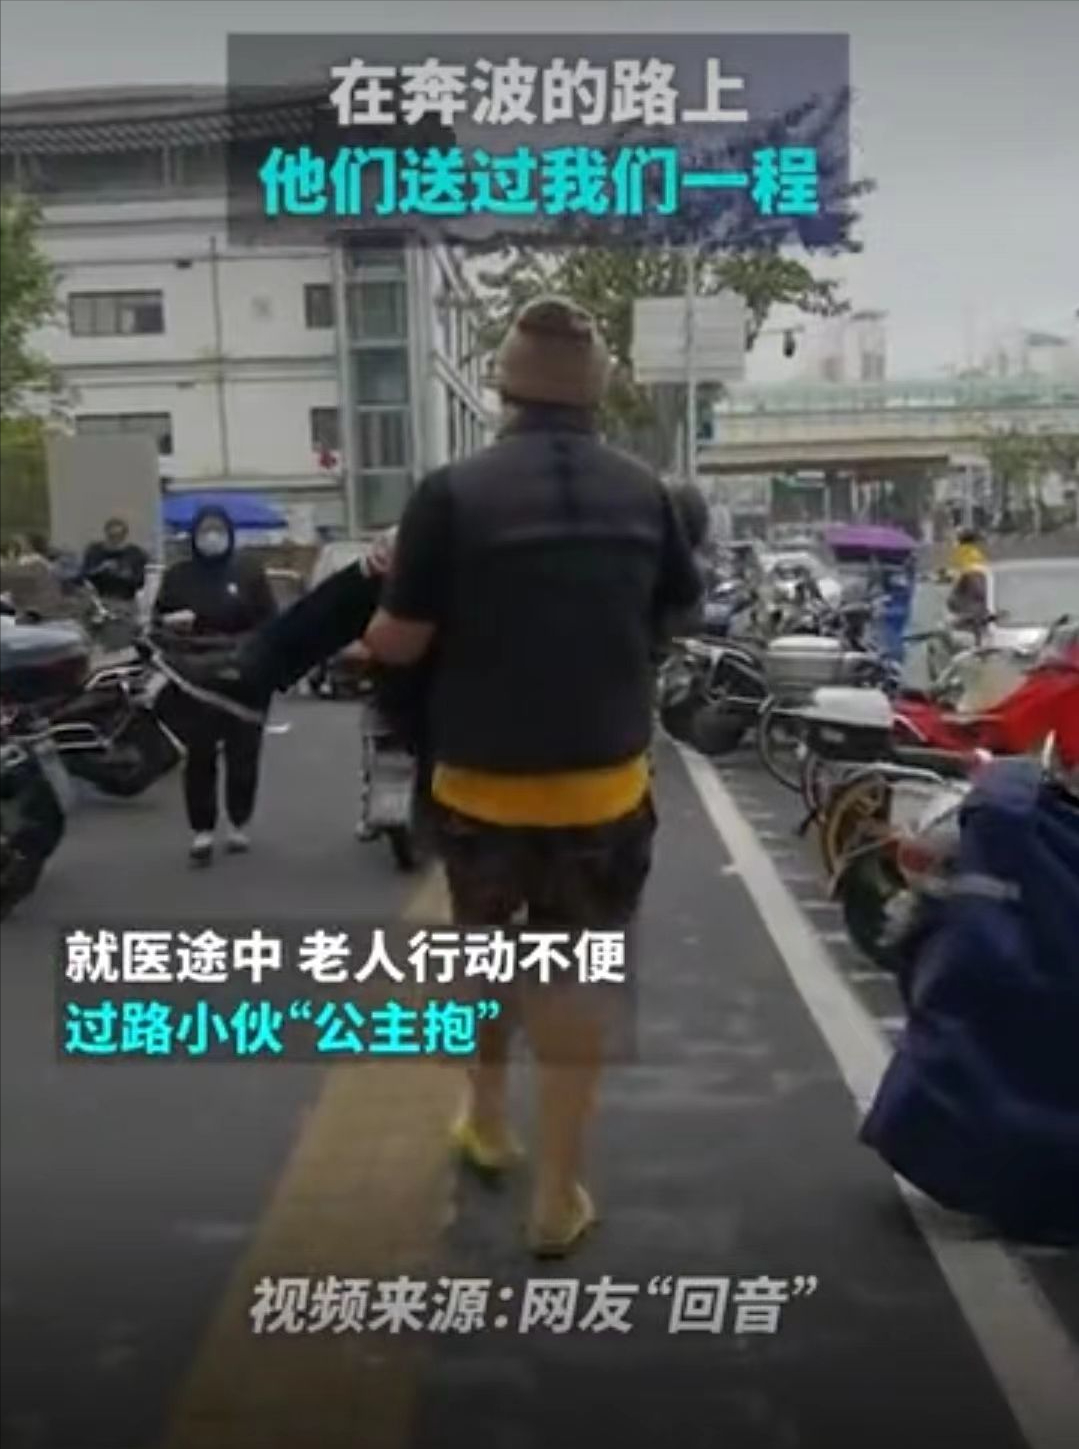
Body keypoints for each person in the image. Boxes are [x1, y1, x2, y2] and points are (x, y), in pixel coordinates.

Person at [362, 295, 702, 1256]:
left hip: (479, 794)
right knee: (573, 984)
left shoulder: (451, 494)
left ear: (503, 386)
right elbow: (680, 610)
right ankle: (556, 1198)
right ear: (596, 392)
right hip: (602, 793)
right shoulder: (645, 494)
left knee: (483, 954)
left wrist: (378, 615)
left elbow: (398, 640)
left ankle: (485, 1118)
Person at [153, 505, 278, 865]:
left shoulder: (248, 572)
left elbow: (270, 622)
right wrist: (173, 626)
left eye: (217, 529)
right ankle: (202, 828)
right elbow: (157, 621)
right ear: (193, 535)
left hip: (242, 673)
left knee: (244, 753)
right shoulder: (179, 576)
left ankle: (239, 822)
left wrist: (249, 650)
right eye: (204, 530)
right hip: (195, 673)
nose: (211, 536)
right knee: (199, 754)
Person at [81, 517, 148, 604]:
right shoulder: (95, 551)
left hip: (126, 600)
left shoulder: (135, 554)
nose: (115, 540)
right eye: (112, 536)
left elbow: (140, 582)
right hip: (100, 598)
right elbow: (84, 575)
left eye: (119, 536)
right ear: (106, 534)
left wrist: (124, 574)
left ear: (124, 536)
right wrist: (101, 569)